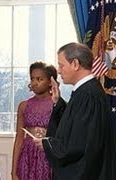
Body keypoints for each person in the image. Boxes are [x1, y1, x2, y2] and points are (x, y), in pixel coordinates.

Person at [34, 42, 116, 180]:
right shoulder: (87, 92)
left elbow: (78, 144)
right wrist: (58, 103)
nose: (59, 71)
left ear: (75, 64)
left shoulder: (87, 96)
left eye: (61, 65)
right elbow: (77, 125)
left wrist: (47, 144)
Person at [11, 61, 62, 180]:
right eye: (32, 79)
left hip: (47, 156)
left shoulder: (57, 105)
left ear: (51, 81)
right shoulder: (24, 106)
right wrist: (13, 172)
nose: (34, 83)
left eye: (39, 79)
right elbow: (19, 139)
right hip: (26, 158)